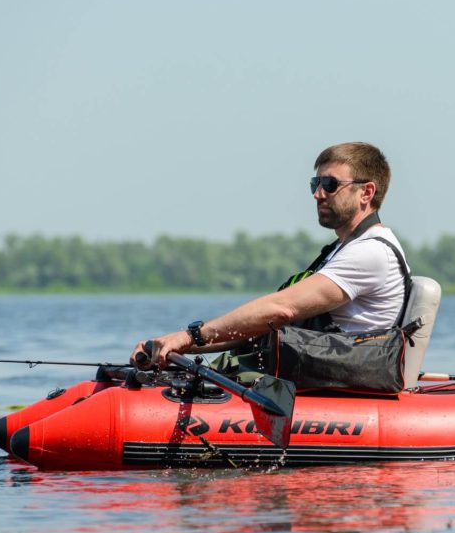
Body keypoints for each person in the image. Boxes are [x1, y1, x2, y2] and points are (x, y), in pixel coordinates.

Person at [131, 141, 410, 369]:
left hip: (335, 387)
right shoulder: (342, 249)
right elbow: (261, 325)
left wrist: (190, 335)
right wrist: (179, 344)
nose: (318, 194)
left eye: (330, 184)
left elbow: (280, 309)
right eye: (315, 184)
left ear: (366, 192)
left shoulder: (371, 252)